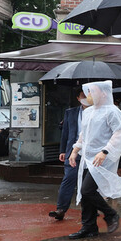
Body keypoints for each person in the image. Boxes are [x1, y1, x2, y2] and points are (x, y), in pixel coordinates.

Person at [67, 81, 121, 239]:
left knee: (87, 190)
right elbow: (83, 135)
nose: (88, 96)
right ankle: (89, 227)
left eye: (92, 92)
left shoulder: (113, 112)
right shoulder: (88, 112)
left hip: (103, 158)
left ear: (104, 93)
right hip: (88, 158)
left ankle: (110, 214)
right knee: (85, 192)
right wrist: (75, 151)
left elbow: (119, 134)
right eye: (87, 92)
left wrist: (105, 151)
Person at [49, 87, 88, 221]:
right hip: (73, 151)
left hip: (91, 152)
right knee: (69, 178)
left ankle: (90, 209)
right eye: (83, 95)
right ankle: (61, 209)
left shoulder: (97, 112)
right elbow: (65, 132)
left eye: (89, 95)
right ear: (78, 98)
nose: (86, 98)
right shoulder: (70, 113)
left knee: (88, 182)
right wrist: (63, 151)